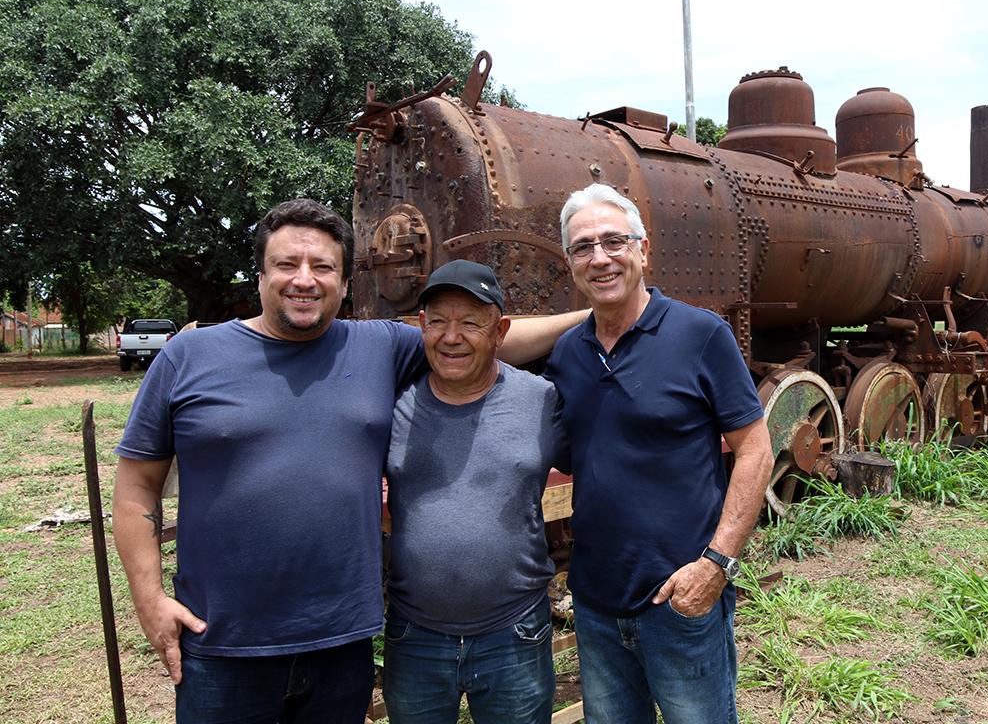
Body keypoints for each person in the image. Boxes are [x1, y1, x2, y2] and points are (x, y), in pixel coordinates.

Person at [112, 198, 581, 724]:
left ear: (344, 281)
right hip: (222, 642)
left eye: (323, 267)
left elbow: (479, 339)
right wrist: (149, 600)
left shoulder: (376, 346)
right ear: (261, 274)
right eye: (287, 265)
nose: (304, 280)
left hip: (340, 643)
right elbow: (135, 488)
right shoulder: (189, 357)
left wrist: (600, 312)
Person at [545, 183, 773, 724]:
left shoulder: (700, 334)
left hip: (681, 598)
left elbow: (757, 451)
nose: (599, 257)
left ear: (643, 251)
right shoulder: (567, 354)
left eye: (613, 241)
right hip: (597, 603)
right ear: (570, 263)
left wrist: (716, 565)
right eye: (583, 247)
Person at [381, 259, 568, 724]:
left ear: (500, 331)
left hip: (515, 632)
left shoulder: (541, 400)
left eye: (470, 322)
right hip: (414, 634)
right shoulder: (392, 403)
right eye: (438, 321)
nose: (451, 336)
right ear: (421, 326)